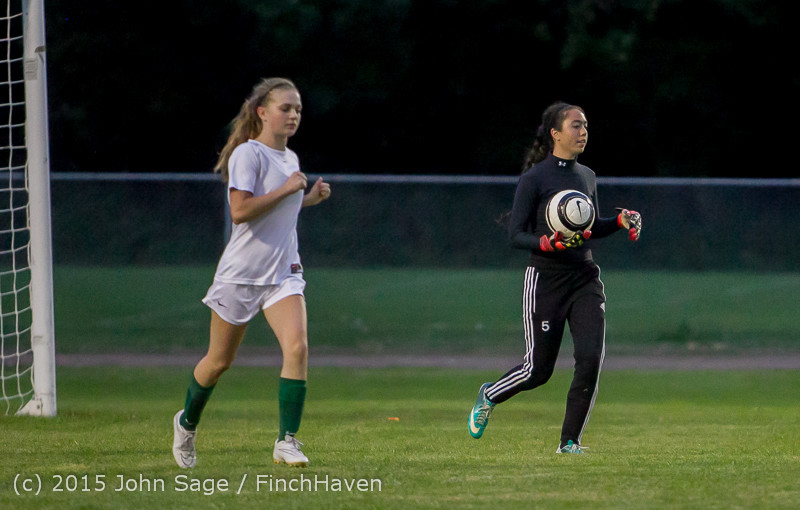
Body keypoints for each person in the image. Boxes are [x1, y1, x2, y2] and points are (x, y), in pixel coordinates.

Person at [172, 77, 331, 469]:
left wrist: (307, 198)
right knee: (218, 361)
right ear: (262, 112)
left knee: (297, 347)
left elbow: (280, 213)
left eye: (298, 109)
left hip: (283, 274)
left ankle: (286, 440)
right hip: (240, 275)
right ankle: (187, 424)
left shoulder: (290, 159)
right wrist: (288, 189)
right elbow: (241, 211)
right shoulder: (249, 154)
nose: (294, 115)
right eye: (285, 108)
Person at [467, 102, 641, 453]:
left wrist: (619, 222)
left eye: (586, 126)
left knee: (591, 358)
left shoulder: (587, 176)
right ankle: (490, 393)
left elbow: (587, 231)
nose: (583, 132)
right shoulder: (534, 179)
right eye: (575, 125)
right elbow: (516, 235)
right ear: (555, 134)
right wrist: (546, 242)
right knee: (538, 371)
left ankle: (569, 442)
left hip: (584, 278)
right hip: (545, 280)